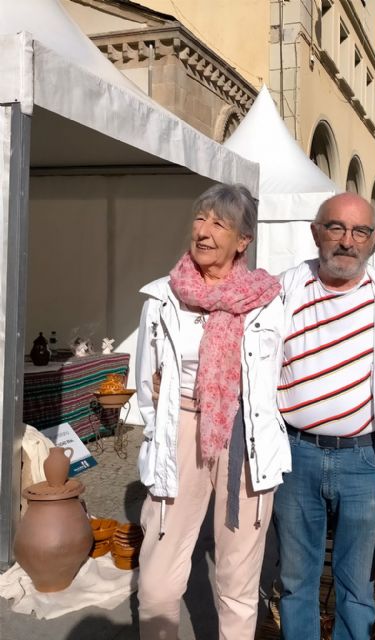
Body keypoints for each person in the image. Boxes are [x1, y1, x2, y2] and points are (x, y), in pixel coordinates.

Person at [135, 183, 291, 640]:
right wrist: (168, 413)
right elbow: (146, 381)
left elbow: (282, 371)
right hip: (179, 427)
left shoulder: (268, 299)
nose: (204, 232)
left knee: (237, 578)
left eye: (219, 224)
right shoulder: (163, 296)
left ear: (243, 240)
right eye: (200, 219)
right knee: (158, 576)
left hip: (245, 434)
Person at [274, 192, 375, 640]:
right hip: (296, 455)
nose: (347, 241)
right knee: (296, 580)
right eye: (336, 227)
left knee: (357, 583)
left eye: (359, 232)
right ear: (316, 232)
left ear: (373, 240)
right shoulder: (281, 289)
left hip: (363, 460)